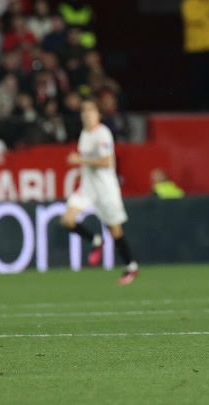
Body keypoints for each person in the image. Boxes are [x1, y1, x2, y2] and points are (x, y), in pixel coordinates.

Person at [60, 98, 139, 285]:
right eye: (83, 111)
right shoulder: (84, 134)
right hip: (88, 188)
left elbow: (105, 161)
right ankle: (96, 240)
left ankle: (131, 266)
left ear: (98, 114)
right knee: (67, 220)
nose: (86, 114)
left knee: (115, 230)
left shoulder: (103, 134)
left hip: (106, 189)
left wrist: (80, 161)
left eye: (90, 111)